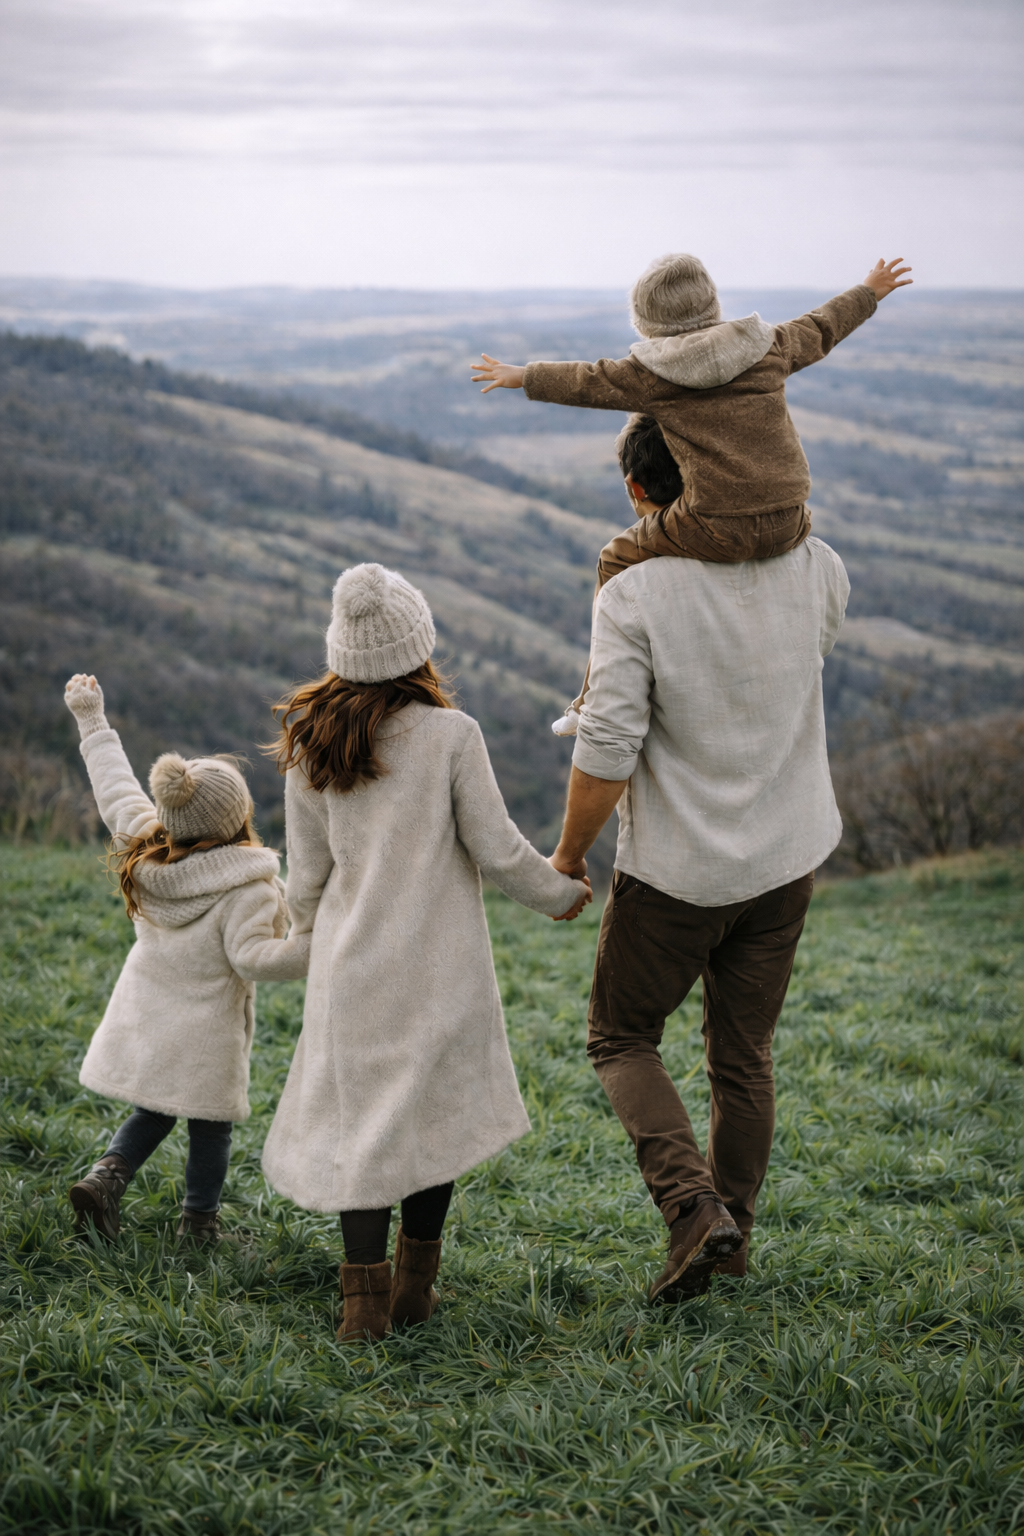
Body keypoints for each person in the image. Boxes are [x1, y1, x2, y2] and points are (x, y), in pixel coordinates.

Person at [260, 562, 591, 1344]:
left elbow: (305, 879)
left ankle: (361, 1308)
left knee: (364, 1128)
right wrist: (560, 893)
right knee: (431, 1119)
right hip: (438, 969)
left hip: (350, 969)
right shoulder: (451, 736)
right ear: (417, 647)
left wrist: (301, 936)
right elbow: (500, 849)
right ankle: (415, 1290)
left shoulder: (311, 744)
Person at [545, 520, 851, 1303]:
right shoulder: (812, 564)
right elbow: (815, 640)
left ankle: (693, 1214)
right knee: (743, 1056)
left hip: (678, 871)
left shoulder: (633, 593)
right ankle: (732, 1241)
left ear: (638, 492)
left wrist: (571, 853)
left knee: (620, 1036)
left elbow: (608, 744)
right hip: (786, 857)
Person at [472, 254, 910, 729]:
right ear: (714, 305)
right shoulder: (770, 347)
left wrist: (522, 376)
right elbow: (823, 326)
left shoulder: (653, 377)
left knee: (614, 558)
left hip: (715, 527)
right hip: (792, 521)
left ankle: (590, 702)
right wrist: (869, 290)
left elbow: (588, 380)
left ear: (646, 324)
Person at [62, 675, 310, 1244]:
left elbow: (116, 789)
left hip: (148, 1018)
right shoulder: (248, 888)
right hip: (204, 1036)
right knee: (212, 1129)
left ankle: (105, 1179)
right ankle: (200, 1226)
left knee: (153, 1111)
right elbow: (253, 960)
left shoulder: (148, 845)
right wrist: (313, 947)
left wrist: (92, 719)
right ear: (237, 820)